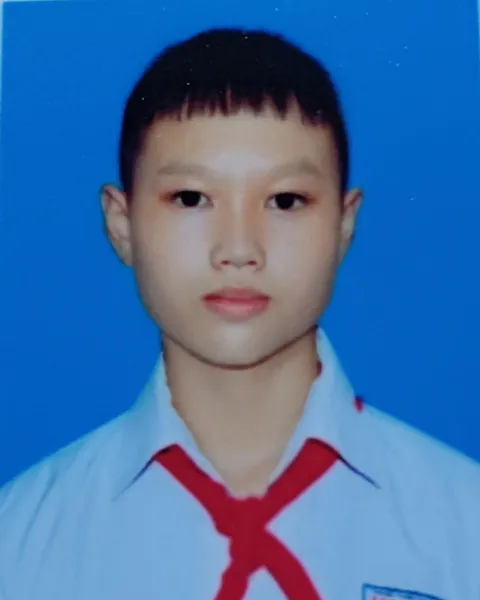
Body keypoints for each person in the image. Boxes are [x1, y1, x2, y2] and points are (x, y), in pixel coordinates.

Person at [0, 27, 478, 600]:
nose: (238, 249)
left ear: (343, 225)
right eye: (191, 199)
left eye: (285, 201)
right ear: (121, 225)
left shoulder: (462, 524)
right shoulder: (19, 540)